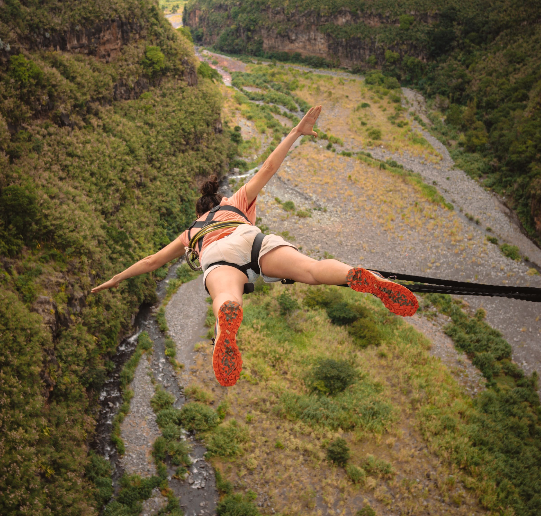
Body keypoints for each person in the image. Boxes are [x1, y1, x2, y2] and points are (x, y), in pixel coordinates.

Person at [91, 106, 418, 387]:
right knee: (314, 271)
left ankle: (225, 328)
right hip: (252, 240)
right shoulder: (234, 203)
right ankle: (355, 274)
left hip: (217, 258)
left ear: (199, 212)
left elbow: (150, 262)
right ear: (218, 200)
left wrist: (115, 279)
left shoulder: (191, 232)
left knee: (226, 297)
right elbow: (268, 168)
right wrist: (296, 131)